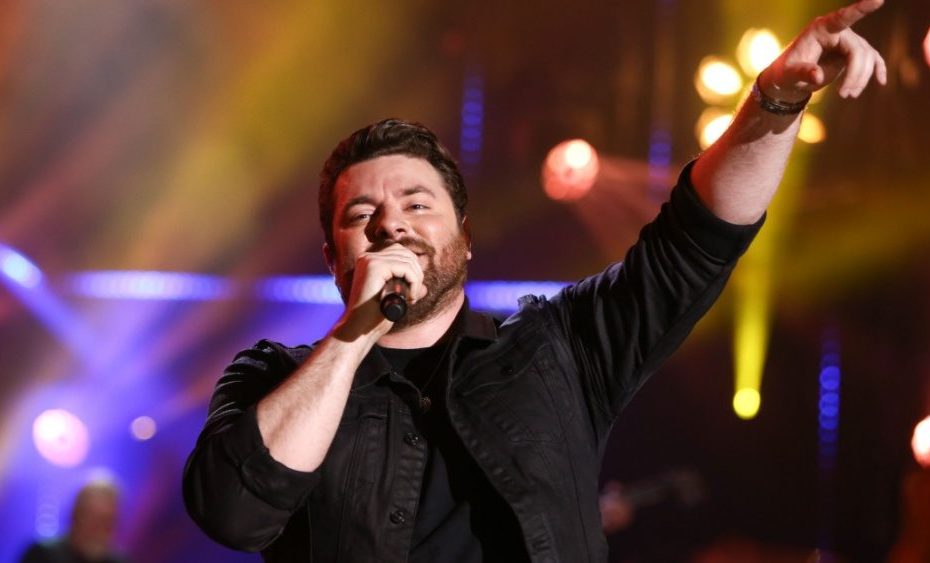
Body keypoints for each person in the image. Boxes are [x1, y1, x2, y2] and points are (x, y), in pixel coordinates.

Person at [183, 2, 887, 561]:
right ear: (332, 256)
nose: (391, 223)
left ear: (465, 238)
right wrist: (352, 338)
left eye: (417, 205)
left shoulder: (559, 348)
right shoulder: (270, 377)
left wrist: (775, 98)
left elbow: (695, 242)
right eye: (362, 215)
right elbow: (234, 514)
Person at [19, 479, 129, 563]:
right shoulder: (43, 554)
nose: (100, 529)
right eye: (94, 519)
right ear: (76, 515)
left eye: (107, 521)